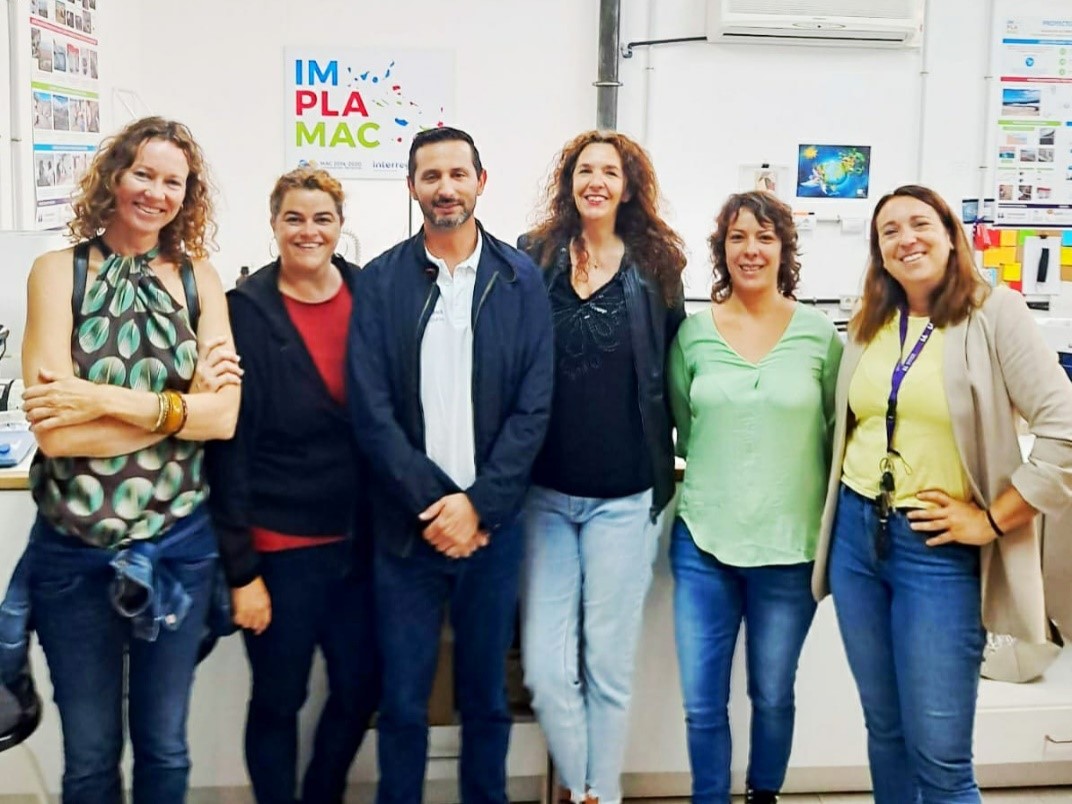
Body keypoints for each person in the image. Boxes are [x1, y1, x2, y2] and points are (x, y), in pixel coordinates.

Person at [812, 184, 1072, 804]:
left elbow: (1065, 427)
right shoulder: (871, 319)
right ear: (878, 251)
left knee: (940, 756)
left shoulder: (994, 314)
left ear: (952, 235)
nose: (906, 239)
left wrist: (992, 520)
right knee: (886, 731)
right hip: (856, 539)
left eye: (920, 224)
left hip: (937, 550)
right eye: (890, 231)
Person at [17, 116, 241, 804]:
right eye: (143, 173)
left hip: (178, 548)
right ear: (114, 176)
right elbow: (57, 437)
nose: (155, 193)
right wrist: (179, 411)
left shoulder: (201, 279)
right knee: (89, 756)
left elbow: (223, 419)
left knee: (165, 747)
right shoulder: (57, 273)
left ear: (187, 196)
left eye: (173, 182)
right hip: (73, 553)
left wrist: (96, 398)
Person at [347, 126, 554, 803]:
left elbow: (534, 405)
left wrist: (478, 506)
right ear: (412, 186)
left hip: (491, 530)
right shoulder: (381, 281)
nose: (445, 188)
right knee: (403, 702)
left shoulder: (521, 280)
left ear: (480, 182)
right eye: (430, 176)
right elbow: (370, 408)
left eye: (457, 174)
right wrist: (435, 507)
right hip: (407, 531)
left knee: (486, 698)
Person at [516, 130, 686, 804]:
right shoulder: (535, 256)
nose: (595, 181)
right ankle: (586, 782)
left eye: (609, 172)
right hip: (545, 498)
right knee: (546, 671)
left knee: (608, 670)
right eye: (584, 170)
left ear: (628, 186)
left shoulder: (657, 265)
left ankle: (595, 795)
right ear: (569, 183)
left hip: (625, 497)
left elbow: (673, 369)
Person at [205, 167, 378, 804]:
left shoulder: (367, 295)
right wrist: (241, 572)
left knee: (361, 688)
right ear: (274, 224)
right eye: (294, 218)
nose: (309, 231)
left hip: (360, 546)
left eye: (322, 218)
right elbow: (227, 450)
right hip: (278, 550)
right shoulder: (243, 312)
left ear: (341, 225)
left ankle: (321, 794)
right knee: (280, 699)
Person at [668, 191, 842, 804]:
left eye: (765, 237)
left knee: (772, 693)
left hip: (791, 549)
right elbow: (686, 429)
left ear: (783, 249)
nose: (751, 249)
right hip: (704, 543)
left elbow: (834, 434)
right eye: (738, 237)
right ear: (722, 249)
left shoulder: (820, 336)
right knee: (701, 702)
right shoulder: (692, 334)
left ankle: (763, 793)